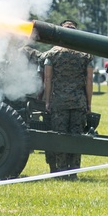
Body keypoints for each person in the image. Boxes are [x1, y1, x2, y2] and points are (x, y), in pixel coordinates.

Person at [41, 20, 94, 178]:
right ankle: (73, 172)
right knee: (76, 137)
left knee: (60, 137)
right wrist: (89, 104)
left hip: (59, 102)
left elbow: (47, 79)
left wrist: (48, 101)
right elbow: (89, 81)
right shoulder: (85, 54)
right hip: (78, 102)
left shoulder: (53, 53)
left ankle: (61, 171)